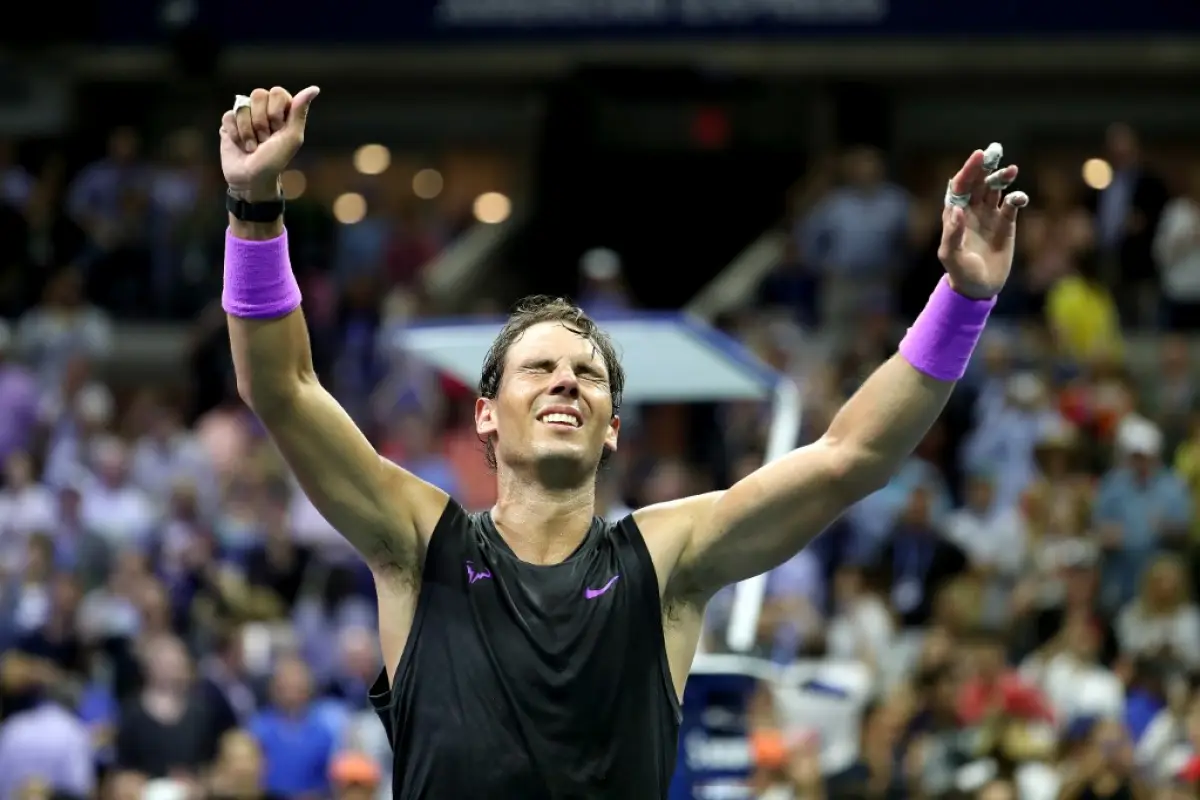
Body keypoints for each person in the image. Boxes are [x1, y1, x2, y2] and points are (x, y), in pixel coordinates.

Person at [216, 86, 1029, 798]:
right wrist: (254, 206)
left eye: (589, 374)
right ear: (486, 413)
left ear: (612, 431)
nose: (567, 380)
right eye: (541, 368)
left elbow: (849, 458)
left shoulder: (666, 561)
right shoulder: (417, 543)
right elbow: (281, 390)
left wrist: (962, 298)